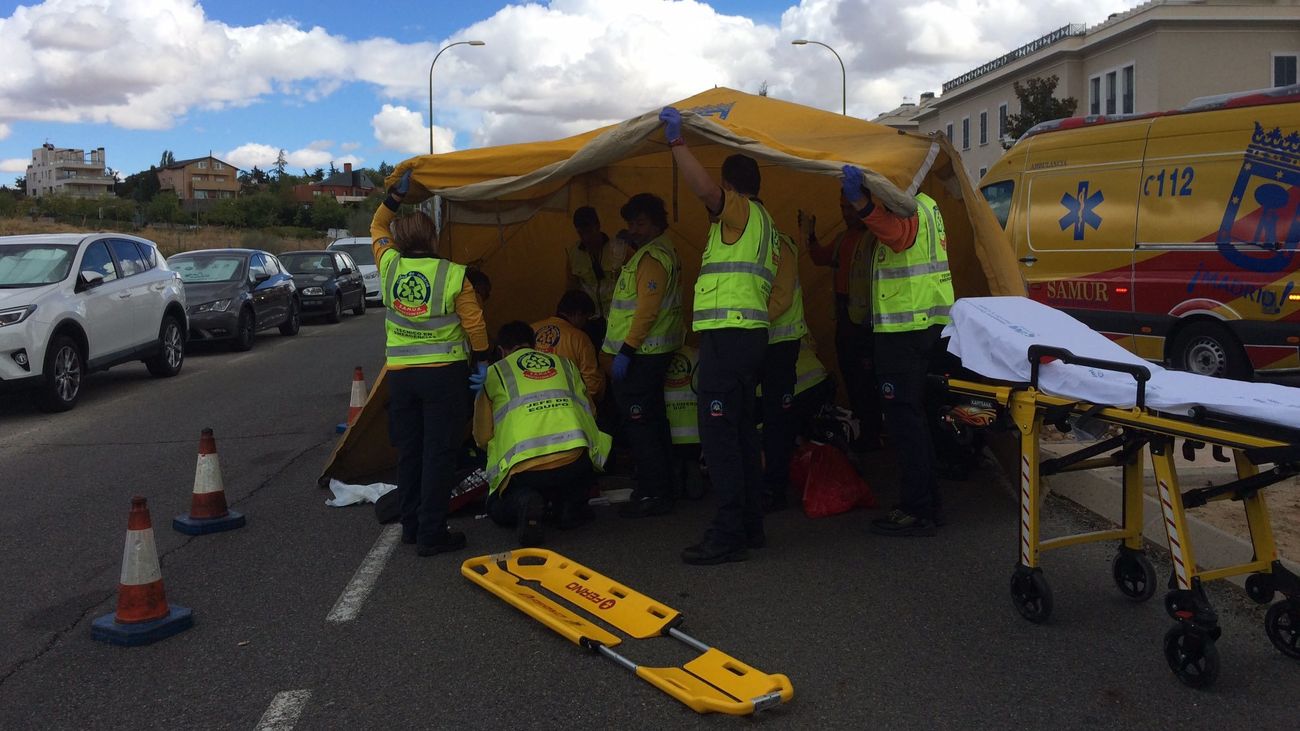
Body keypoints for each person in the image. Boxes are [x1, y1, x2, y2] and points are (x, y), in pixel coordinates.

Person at [662, 107, 777, 564]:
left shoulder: (740, 213)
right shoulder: (762, 221)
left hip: (728, 338)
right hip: (747, 338)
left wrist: (677, 144)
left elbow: (704, 190)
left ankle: (728, 533)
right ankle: (750, 526)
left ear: (731, 187)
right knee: (743, 434)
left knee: (720, 437)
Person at [371, 169, 490, 556]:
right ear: (433, 237)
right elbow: (474, 323)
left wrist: (393, 199)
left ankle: (410, 525)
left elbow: (377, 224)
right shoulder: (454, 274)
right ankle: (432, 533)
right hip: (444, 377)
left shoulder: (388, 265)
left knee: (409, 452)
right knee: (438, 454)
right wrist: (483, 360)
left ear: (402, 239)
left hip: (402, 377)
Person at [841, 165, 955, 536]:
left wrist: (861, 201)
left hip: (904, 331)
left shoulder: (907, 209)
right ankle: (929, 504)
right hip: (927, 327)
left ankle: (916, 509)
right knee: (917, 418)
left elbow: (896, 236)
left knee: (905, 421)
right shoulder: (928, 204)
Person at [474, 321, 611, 546]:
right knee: (574, 471)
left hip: (525, 469)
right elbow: (591, 412)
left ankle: (524, 501)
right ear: (535, 344)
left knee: (495, 504)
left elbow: (482, 436)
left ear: (501, 350)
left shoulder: (493, 373)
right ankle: (569, 507)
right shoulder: (565, 364)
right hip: (573, 461)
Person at [602, 193, 685, 517]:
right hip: (654, 350)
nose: (633, 229)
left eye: (640, 222)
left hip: (643, 353)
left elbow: (646, 311)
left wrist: (626, 350)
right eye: (630, 223)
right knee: (653, 420)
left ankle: (654, 491)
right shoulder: (660, 251)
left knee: (640, 422)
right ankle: (665, 484)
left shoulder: (652, 258)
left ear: (656, 222)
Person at [803, 197, 882, 449]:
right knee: (851, 375)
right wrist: (811, 236)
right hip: (846, 320)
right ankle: (860, 428)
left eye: (850, 207)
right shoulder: (842, 239)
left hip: (865, 326)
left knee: (866, 381)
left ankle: (872, 431)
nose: (846, 213)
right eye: (842, 208)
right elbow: (820, 257)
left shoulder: (875, 238)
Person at [759, 227, 808, 512]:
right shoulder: (739, 239)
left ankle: (774, 487)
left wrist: (748, 324)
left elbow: (782, 297)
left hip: (778, 341)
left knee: (777, 418)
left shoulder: (780, 243)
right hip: (754, 340)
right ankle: (759, 481)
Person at [566, 206, 629, 347]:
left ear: (598, 226)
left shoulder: (620, 249)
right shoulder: (573, 254)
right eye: (581, 233)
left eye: (589, 231)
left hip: (618, 319)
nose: (586, 237)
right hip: (589, 320)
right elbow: (571, 290)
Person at [532, 290, 605, 402]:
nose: (585, 323)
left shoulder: (531, 330)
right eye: (586, 318)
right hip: (568, 406)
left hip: (531, 402)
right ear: (579, 314)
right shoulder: (580, 338)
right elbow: (592, 384)